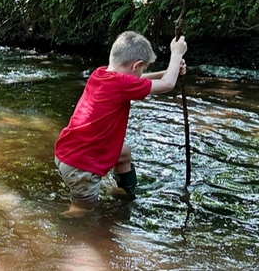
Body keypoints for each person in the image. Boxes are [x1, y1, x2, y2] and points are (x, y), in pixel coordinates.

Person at [53, 31, 187, 218]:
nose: (140, 73)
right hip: (81, 166)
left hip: (69, 153)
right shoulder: (121, 84)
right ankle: (56, 230)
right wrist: (176, 54)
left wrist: (168, 70)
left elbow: (139, 79)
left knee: (124, 153)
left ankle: (123, 196)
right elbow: (167, 85)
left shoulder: (100, 74)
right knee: (84, 213)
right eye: (142, 68)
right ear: (136, 65)